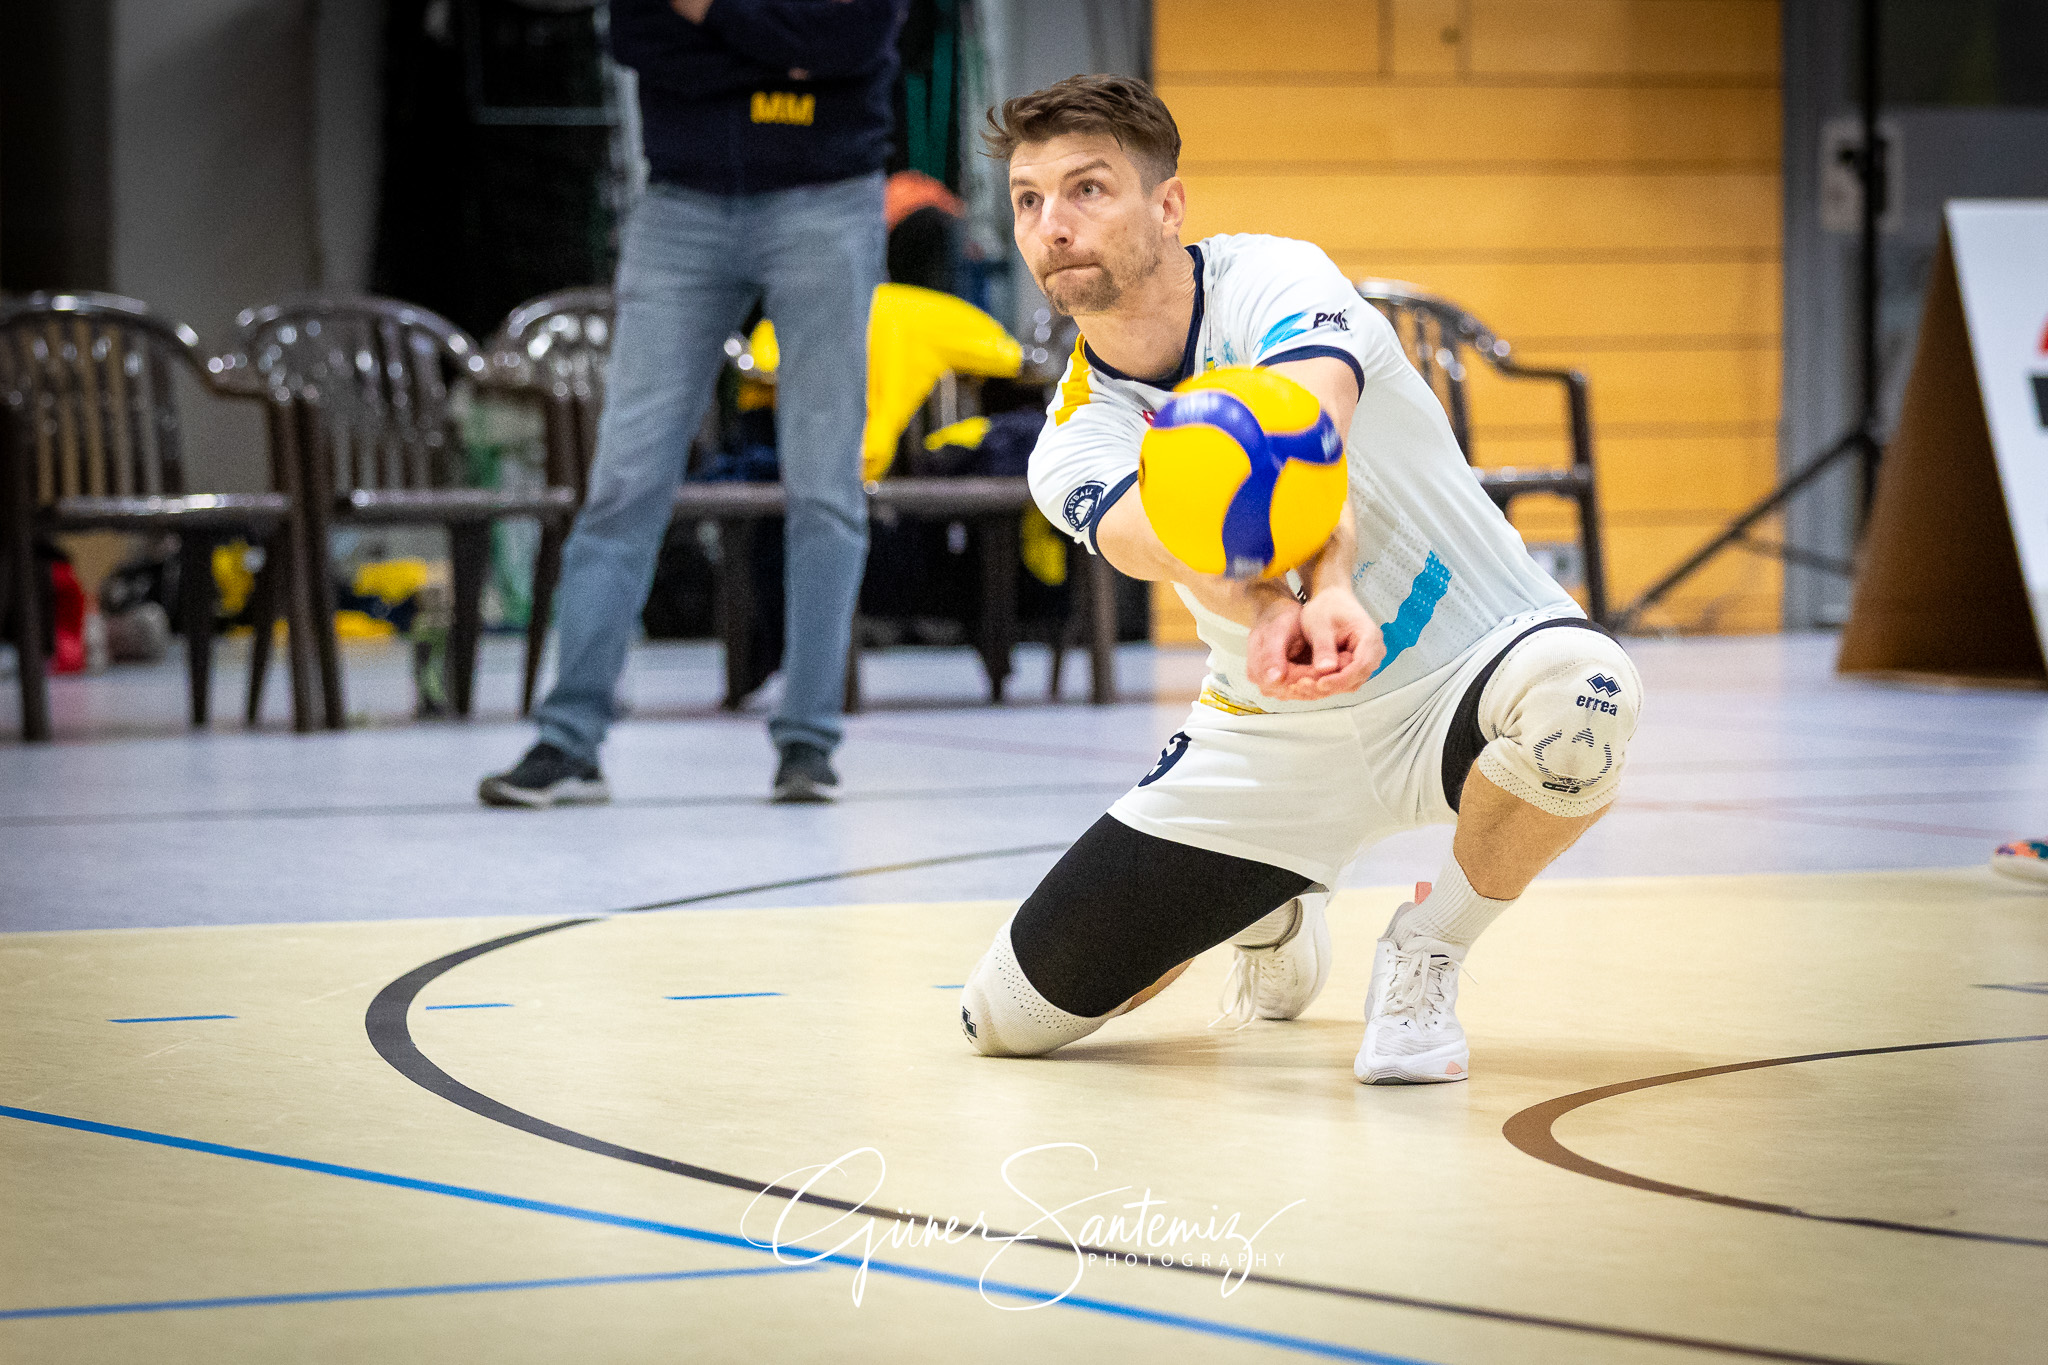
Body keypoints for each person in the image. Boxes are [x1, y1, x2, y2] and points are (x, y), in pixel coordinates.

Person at [956, 76, 1644, 1084]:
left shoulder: (1276, 281)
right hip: (1270, 720)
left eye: (1087, 189)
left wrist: (1329, 589)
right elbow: (1171, 544)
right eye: (1027, 200)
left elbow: (1301, 442)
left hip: (1473, 659)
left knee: (1586, 692)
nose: (1052, 226)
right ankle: (1268, 903)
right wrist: (1275, 610)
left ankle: (1428, 951)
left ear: (1167, 205)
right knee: (1004, 1021)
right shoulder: (1069, 440)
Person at [480, 0, 905, 808]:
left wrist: (710, 13)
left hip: (828, 199)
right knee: (623, 483)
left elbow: (850, 42)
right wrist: (783, 58)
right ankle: (569, 739)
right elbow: (642, 40)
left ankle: (809, 741)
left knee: (824, 485)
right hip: (681, 207)